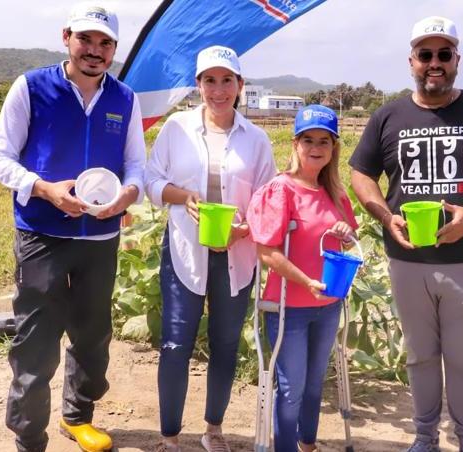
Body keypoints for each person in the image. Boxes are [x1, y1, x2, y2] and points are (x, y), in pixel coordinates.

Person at [348, 16, 463, 452]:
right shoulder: (388, 115)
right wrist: (383, 215)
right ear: (411, 61)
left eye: (443, 54)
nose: (434, 63)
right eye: (425, 55)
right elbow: (360, 173)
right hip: (408, 260)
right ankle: (424, 438)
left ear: (456, 61)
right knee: (420, 356)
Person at [0, 4, 143, 452]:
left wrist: (128, 195)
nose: (94, 51)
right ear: (66, 37)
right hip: (41, 235)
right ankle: (29, 437)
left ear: (114, 48)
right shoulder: (32, 87)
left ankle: (77, 418)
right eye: (86, 40)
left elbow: (136, 165)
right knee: (36, 341)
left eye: (105, 43)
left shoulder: (124, 98)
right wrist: (44, 189)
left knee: (93, 336)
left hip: (100, 239)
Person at [144, 45, 277, 452]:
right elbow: (151, 182)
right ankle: (169, 435)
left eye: (226, 81)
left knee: (224, 343)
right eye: (209, 81)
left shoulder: (256, 139)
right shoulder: (176, 129)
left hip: (236, 256)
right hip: (185, 250)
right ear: (198, 85)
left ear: (239, 85)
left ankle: (213, 430)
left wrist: (245, 229)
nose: (218, 90)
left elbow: (268, 199)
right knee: (175, 342)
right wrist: (183, 197)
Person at [247, 105, 359, 452]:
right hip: (289, 308)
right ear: (295, 144)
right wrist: (305, 281)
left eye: (324, 141)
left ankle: (307, 444)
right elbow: (267, 253)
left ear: (333, 147)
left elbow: (351, 241)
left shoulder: (335, 193)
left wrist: (344, 232)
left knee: (314, 384)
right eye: (308, 139)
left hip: (327, 305)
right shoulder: (280, 190)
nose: (316, 147)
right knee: (292, 386)